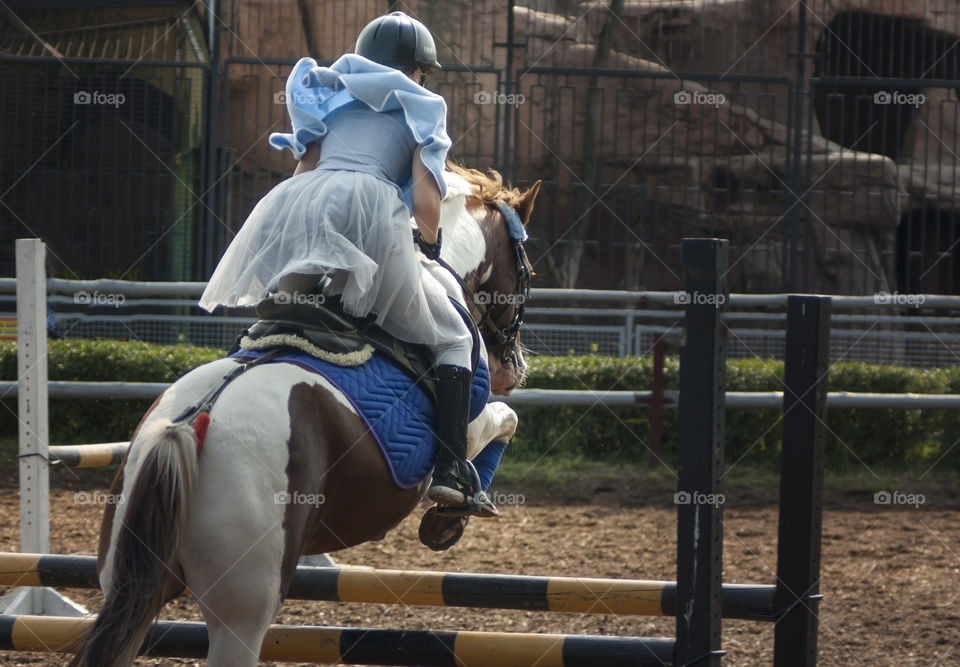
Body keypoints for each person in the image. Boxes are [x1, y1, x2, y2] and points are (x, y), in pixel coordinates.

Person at [198, 11, 490, 517]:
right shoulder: (421, 102)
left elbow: (305, 167)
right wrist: (429, 241)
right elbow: (424, 195)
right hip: (371, 207)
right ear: (417, 71)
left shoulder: (326, 93)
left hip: (299, 201)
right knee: (454, 338)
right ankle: (449, 471)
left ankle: (224, 391)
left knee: (283, 312)